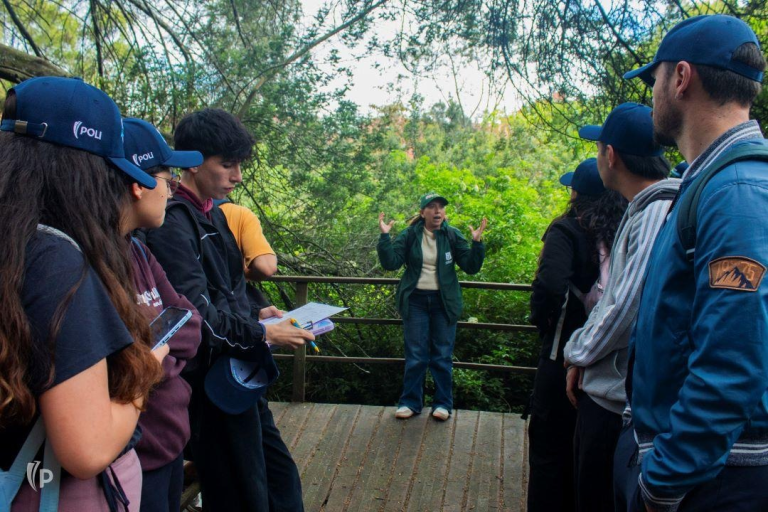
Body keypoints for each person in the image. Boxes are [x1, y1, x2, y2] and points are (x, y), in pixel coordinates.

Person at [620, 14, 768, 511]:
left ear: (681, 77)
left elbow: (733, 365)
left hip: (711, 482)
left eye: (654, 80)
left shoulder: (736, 193)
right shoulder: (708, 182)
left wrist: (661, 483)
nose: (651, 95)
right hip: (698, 470)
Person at [0, 77, 165, 510]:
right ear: (84, 173)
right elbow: (87, 449)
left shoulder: (14, 245)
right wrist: (148, 370)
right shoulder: (56, 262)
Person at [144, 108, 314, 511]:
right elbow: (195, 315)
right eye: (227, 164)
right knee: (240, 492)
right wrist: (261, 333)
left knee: (279, 479)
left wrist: (257, 312)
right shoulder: (172, 224)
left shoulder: (214, 215)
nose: (237, 176)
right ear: (193, 162)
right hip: (211, 386)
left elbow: (229, 289)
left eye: (239, 164)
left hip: (240, 373)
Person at [562, 103, 678, 512]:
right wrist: (584, 356)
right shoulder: (641, 207)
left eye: (598, 149)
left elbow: (625, 306)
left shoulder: (656, 210)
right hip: (610, 392)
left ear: (610, 155)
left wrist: (576, 353)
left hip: (615, 405)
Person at [526, 158, 626, 512]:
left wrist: (545, 324)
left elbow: (549, 285)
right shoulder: (623, 228)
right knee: (584, 454)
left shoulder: (567, 229)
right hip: (608, 363)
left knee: (548, 449)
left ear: (576, 194)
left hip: (562, 357)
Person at [122, 117, 204, 512]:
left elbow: (192, 324)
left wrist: (156, 356)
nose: (171, 191)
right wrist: (160, 353)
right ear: (138, 185)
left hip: (170, 445)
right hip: (135, 454)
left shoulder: (138, 250)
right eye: (167, 181)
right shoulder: (91, 261)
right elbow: (124, 363)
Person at [377, 192, 486, 421]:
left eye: (441, 207)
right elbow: (391, 263)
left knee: (442, 355)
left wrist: (477, 243)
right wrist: (385, 237)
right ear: (422, 212)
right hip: (415, 300)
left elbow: (471, 267)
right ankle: (410, 402)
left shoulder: (452, 235)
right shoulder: (410, 235)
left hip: (443, 302)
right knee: (416, 355)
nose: (437, 211)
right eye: (432, 207)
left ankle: (443, 404)